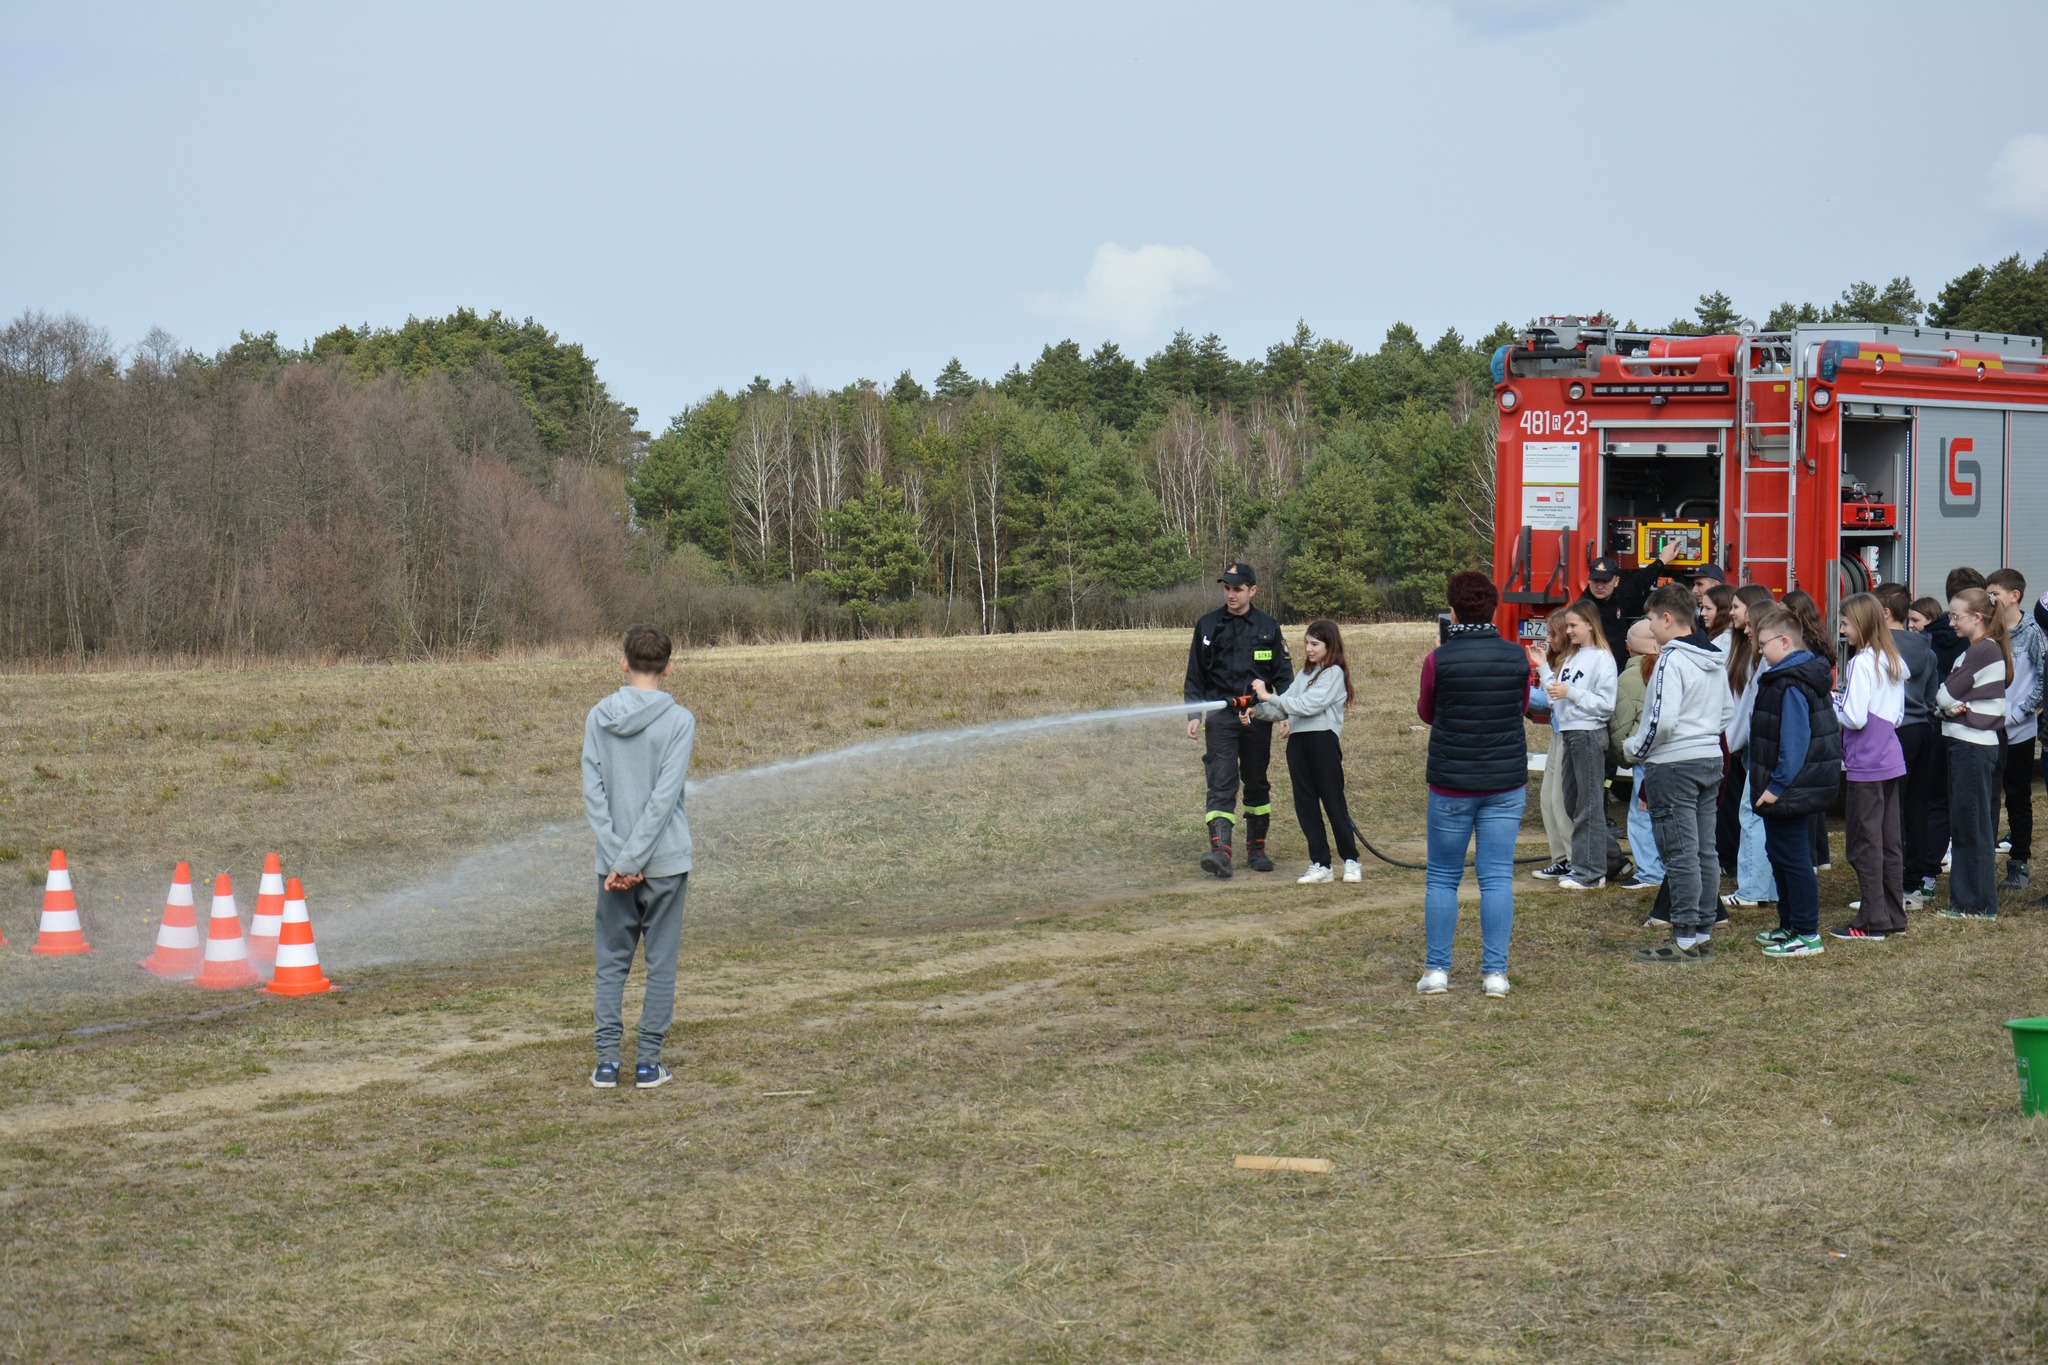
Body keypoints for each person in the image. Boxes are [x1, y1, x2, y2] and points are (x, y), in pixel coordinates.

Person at [581, 623, 697, 1090]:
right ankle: (648, 1063)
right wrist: (633, 862)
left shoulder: (597, 716)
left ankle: (607, 1063)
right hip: (664, 862)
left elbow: (594, 794)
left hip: (612, 868)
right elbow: (663, 801)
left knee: (612, 961)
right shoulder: (680, 721)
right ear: (669, 666)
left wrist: (618, 861)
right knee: (660, 963)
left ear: (624, 662)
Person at [1415, 570, 1532, 998]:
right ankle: (1495, 974)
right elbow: (1521, 706)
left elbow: (1427, 712)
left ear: (1452, 610)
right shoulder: (1516, 656)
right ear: (1494, 608)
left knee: (1442, 878)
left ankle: (1437, 970)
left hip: (1451, 782)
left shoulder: (1438, 659)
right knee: (1497, 877)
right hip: (1504, 781)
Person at [1622, 584, 1735, 961]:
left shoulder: (1670, 660)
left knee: (1680, 854)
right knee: (1704, 850)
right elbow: (1727, 714)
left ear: (1667, 619)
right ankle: (1701, 931)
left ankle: (1684, 938)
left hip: (1673, 766)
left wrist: (1634, 749)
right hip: (1708, 759)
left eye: (1651, 620)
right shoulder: (1714, 658)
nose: (1649, 628)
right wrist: (1702, 736)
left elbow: (1662, 721)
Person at [1184, 562, 1293, 878]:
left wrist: (1286, 712)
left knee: (1256, 781)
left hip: (1258, 717)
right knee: (1221, 781)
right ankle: (1221, 853)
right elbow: (1195, 675)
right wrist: (1194, 714)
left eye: (1237, 589)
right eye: (1227, 589)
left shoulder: (1268, 627)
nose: (1231, 595)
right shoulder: (1207, 625)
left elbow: (1284, 675)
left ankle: (1257, 850)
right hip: (1220, 717)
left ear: (1252, 591)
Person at [1747, 606, 1843, 958]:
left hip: (1788, 789)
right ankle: (1788, 924)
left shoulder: (1790, 683)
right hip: (1786, 788)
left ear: (1785, 641)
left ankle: (1806, 932)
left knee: (1794, 859)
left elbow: (1794, 741)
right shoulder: (1789, 677)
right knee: (1780, 855)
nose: (1760, 651)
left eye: (1763, 644)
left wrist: (1775, 788)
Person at [1252, 619, 1358, 885]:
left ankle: (1351, 860)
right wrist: (1258, 710)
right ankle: (1321, 864)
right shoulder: (1304, 674)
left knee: (1333, 802)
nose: (1309, 649)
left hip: (1323, 742)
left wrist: (1267, 696)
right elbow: (1286, 706)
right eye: (1306, 644)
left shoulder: (1333, 673)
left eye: (1315, 644)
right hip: (1298, 743)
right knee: (1306, 804)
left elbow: (1308, 705)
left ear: (1329, 645)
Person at [1526, 600, 1618, 889]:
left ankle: (1591, 873)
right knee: (1572, 802)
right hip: (1570, 733)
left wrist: (1572, 693)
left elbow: (1605, 705)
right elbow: (1555, 697)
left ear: (1590, 624)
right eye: (1566, 626)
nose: (1568, 631)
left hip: (1588, 734)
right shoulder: (1572, 657)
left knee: (1587, 805)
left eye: (1573, 625)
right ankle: (1594, 864)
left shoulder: (1602, 658)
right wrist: (1543, 669)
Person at [1832, 593, 1908, 940]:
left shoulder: (1861, 662)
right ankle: (1893, 915)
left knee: (1864, 843)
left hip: (1866, 764)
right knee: (1889, 841)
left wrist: (1830, 701)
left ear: (1860, 623)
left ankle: (1871, 920)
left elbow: (1855, 716)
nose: (1843, 629)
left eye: (1846, 623)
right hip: (1890, 759)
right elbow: (1899, 714)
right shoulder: (1891, 658)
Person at [1934, 587, 2011, 920]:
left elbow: (1943, 694)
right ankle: (1970, 902)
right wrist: (1951, 707)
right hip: (1969, 744)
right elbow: (1949, 702)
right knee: (1968, 823)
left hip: (1972, 746)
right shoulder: (1980, 650)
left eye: (1956, 616)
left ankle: (1976, 905)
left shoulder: (1981, 651)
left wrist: (1950, 708)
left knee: (1972, 826)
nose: (1951, 622)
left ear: (1977, 618)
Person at [1878, 583, 1940, 909]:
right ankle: (1912, 884)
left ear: (1885, 613)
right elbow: (1932, 695)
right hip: (1923, 731)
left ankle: (1889, 884)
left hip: (1895, 732)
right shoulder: (1926, 649)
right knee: (1917, 807)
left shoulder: (1879, 649)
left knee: (1889, 809)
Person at [1721, 585, 1780, 912]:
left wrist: (1731, 744)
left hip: (1759, 749)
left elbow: (1747, 712)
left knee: (1751, 816)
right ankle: (1767, 888)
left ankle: (1752, 889)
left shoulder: (1762, 666)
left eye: (1748, 626)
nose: (1742, 629)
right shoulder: (1762, 662)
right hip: (1761, 747)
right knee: (1762, 818)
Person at [1986, 568, 2042, 895]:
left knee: (2018, 796)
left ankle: (2019, 862)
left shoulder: (2032, 633)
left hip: (2019, 732)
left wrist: (2020, 712)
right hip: (1990, 730)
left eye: (1994, 592)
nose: (1989, 597)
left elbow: (2042, 680)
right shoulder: (1990, 630)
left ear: (2013, 596)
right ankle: (1981, 864)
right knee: (1989, 795)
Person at [1781, 588, 1837, 870]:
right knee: (1814, 798)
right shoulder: (1820, 646)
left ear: (1795, 615)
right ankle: (1820, 857)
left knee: (1804, 795)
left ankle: (1812, 858)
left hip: (1809, 724)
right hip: (1820, 724)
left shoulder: (1803, 650)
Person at [1610, 619, 1663, 892]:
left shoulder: (1628, 677)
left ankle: (1650, 871)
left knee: (1640, 815)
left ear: (1628, 647)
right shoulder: (1667, 669)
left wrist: (1623, 757)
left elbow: (1619, 725)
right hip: (1668, 753)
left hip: (1642, 756)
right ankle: (1663, 867)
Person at [1579, 541, 1683, 669]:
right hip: (1592, 670)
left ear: (1616, 581)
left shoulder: (1618, 596)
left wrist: (1662, 560)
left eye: (1605, 581)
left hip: (1617, 669)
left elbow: (1639, 581)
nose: (1600, 586)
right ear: (1589, 580)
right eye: (1596, 581)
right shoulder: (1581, 609)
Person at [1529, 608, 1576, 880]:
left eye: (1552, 633)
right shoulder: (1559, 660)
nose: (1549, 639)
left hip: (1569, 736)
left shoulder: (1574, 662)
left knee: (1561, 801)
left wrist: (1522, 690)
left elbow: (1553, 699)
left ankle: (1574, 859)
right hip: (1556, 735)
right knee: (1547, 798)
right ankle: (1560, 858)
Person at [1701, 583, 1735, 652]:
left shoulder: (1722, 643)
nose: (1702, 613)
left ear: (1724, 610)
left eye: (1708, 608)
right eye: (1703, 607)